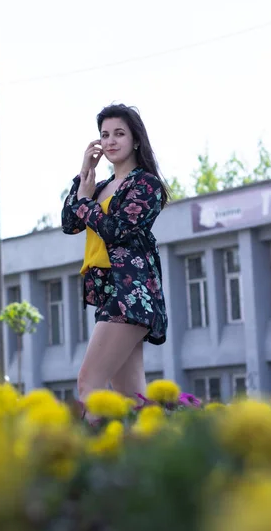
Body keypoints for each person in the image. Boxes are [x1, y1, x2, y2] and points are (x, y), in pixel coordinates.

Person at [61, 104, 169, 407]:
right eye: (104, 135)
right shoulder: (100, 186)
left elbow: (116, 230)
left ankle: (97, 451)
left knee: (89, 381)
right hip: (110, 293)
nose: (110, 141)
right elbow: (70, 224)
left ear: (135, 140)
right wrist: (86, 174)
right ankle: (148, 449)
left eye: (119, 133)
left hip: (132, 294)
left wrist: (85, 203)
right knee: (132, 399)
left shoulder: (146, 185)